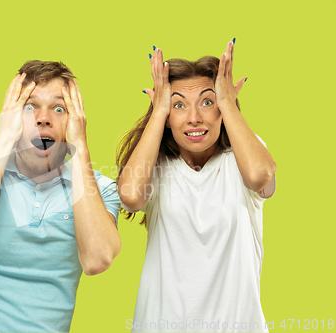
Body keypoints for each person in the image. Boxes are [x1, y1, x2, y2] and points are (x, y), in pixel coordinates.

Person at [0, 60, 122, 332]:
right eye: (29, 107)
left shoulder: (100, 189)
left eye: (59, 109)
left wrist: (80, 146)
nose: (43, 118)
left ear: (74, 121)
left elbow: (97, 260)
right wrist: (4, 138)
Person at [117, 40, 276, 332]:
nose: (194, 118)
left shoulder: (242, 159)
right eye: (178, 105)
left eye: (207, 102)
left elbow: (260, 177)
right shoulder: (156, 165)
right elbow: (130, 197)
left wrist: (227, 102)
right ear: (166, 116)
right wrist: (157, 113)